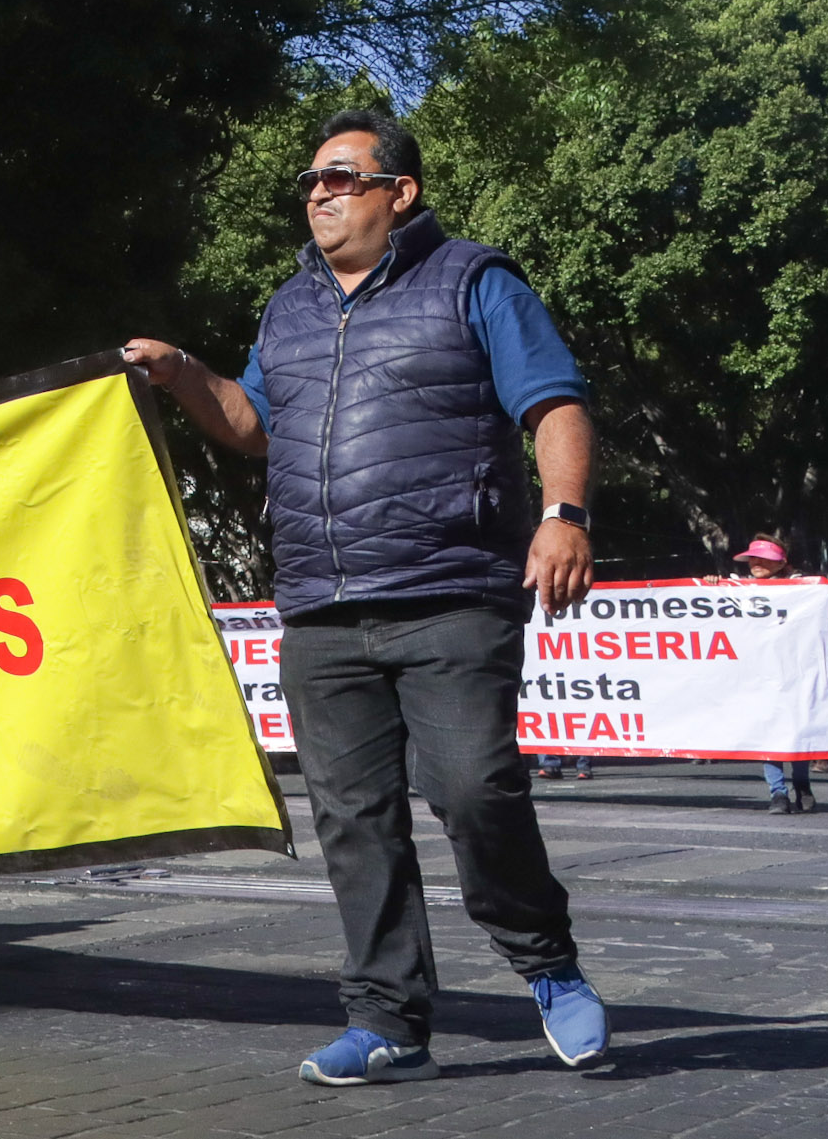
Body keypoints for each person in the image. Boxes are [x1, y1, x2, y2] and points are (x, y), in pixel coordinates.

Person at [124, 109, 609, 1084]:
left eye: (340, 178)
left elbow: (554, 400)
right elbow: (254, 422)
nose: (317, 195)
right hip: (320, 603)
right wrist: (181, 374)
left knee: (473, 788)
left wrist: (565, 514)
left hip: (450, 589)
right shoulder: (289, 307)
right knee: (352, 817)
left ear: (400, 193)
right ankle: (388, 1019)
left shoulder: (474, 279)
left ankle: (547, 965)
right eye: (310, 181)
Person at [699, 539, 819, 812]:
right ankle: (778, 792)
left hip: (795, 670)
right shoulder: (739, 588)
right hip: (758, 674)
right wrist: (712, 585)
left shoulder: (803, 588)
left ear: (781, 563)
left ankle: (801, 783)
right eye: (753, 559)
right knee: (770, 732)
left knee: (797, 730)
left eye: (763, 559)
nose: (756, 564)